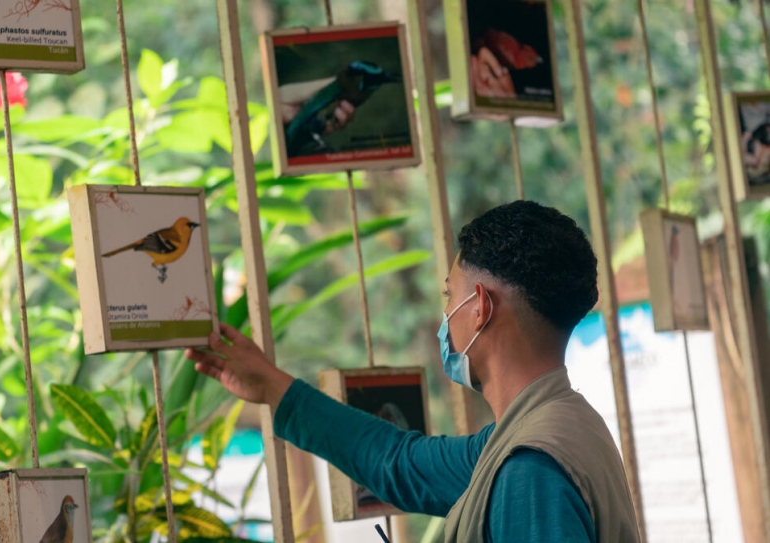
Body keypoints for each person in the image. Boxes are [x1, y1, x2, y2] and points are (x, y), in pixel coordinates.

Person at [186, 200, 641, 542]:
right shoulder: (551, 428)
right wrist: (272, 385)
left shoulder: (531, 468)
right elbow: (400, 463)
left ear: (479, 307)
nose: (445, 317)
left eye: (449, 297)